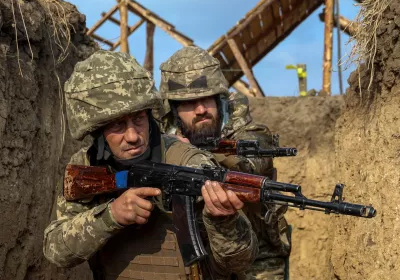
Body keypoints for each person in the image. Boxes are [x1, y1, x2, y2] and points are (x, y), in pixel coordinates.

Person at [43, 50, 258, 280]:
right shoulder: (87, 167)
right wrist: (110, 216)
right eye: (118, 126)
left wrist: (223, 221)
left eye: (139, 120)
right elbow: (55, 251)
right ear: (96, 131)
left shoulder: (190, 162)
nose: (133, 135)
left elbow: (240, 262)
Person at [158, 46, 291, 280]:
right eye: (189, 103)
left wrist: (186, 154)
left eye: (206, 99)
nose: (200, 110)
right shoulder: (163, 141)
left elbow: (248, 164)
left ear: (219, 99)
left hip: (257, 260)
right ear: (174, 109)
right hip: (195, 260)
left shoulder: (250, 135)